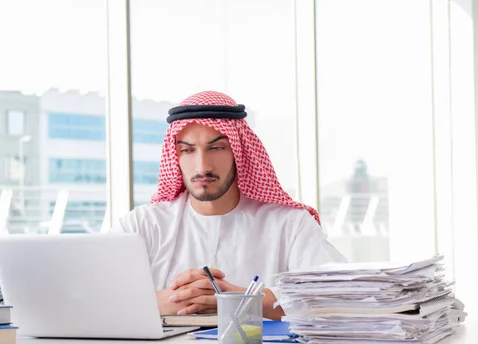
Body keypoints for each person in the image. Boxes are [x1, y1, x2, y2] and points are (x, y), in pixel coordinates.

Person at [111, 91, 346, 320]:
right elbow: (90, 293)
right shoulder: (144, 224)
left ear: (239, 151)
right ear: (176, 156)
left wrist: (242, 299)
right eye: (188, 150)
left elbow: (336, 294)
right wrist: (165, 302)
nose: (202, 166)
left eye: (216, 148)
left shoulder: (289, 222)